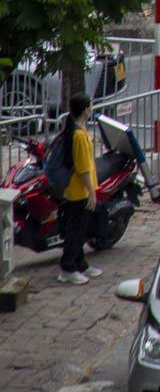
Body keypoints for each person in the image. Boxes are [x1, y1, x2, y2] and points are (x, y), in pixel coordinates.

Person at [49, 93, 100, 283]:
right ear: (86, 109)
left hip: (78, 190)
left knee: (80, 229)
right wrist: (92, 193)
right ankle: (68, 267)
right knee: (76, 231)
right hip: (78, 191)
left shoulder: (78, 131)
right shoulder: (78, 136)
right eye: (90, 106)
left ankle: (81, 264)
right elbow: (83, 168)